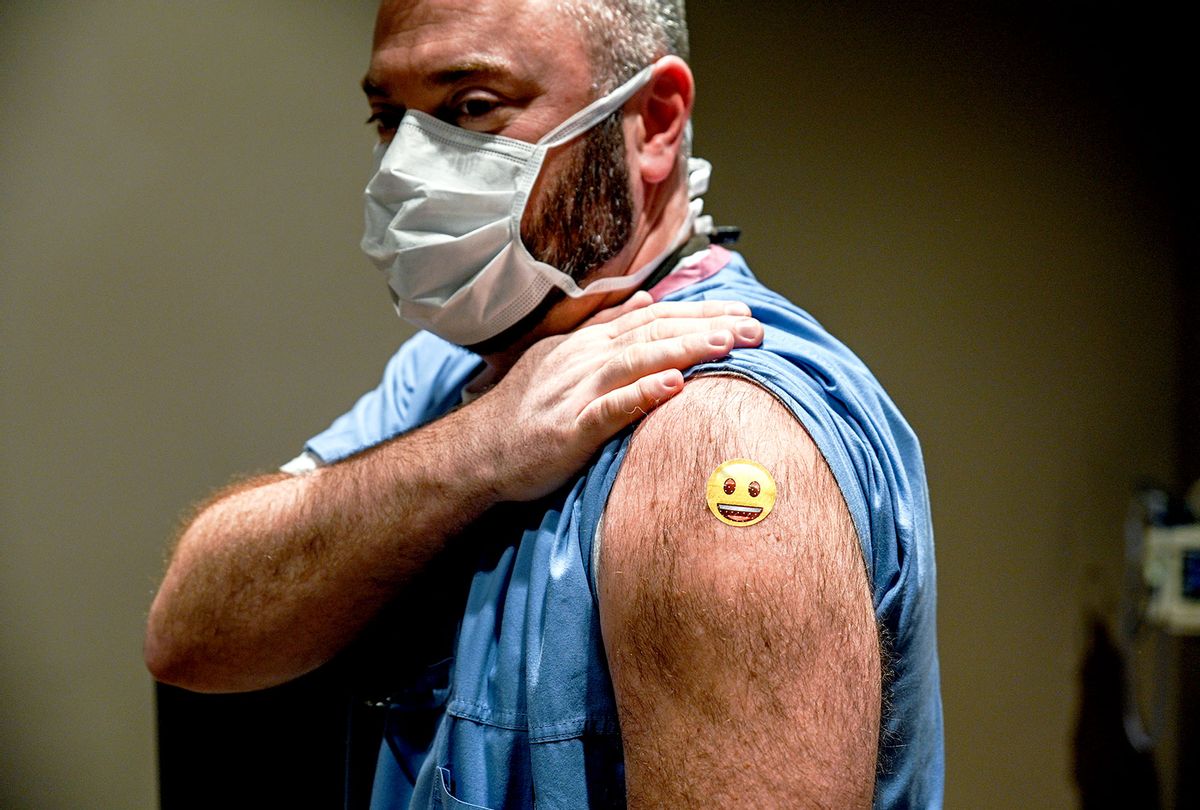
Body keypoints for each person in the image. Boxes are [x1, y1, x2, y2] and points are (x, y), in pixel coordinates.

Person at [145, 0, 944, 806]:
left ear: (655, 122)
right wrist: (483, 447)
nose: (409, 168)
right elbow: (190, 633)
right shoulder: (464, 376)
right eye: (391, 118)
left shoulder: (717, 438)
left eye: (472, 108)